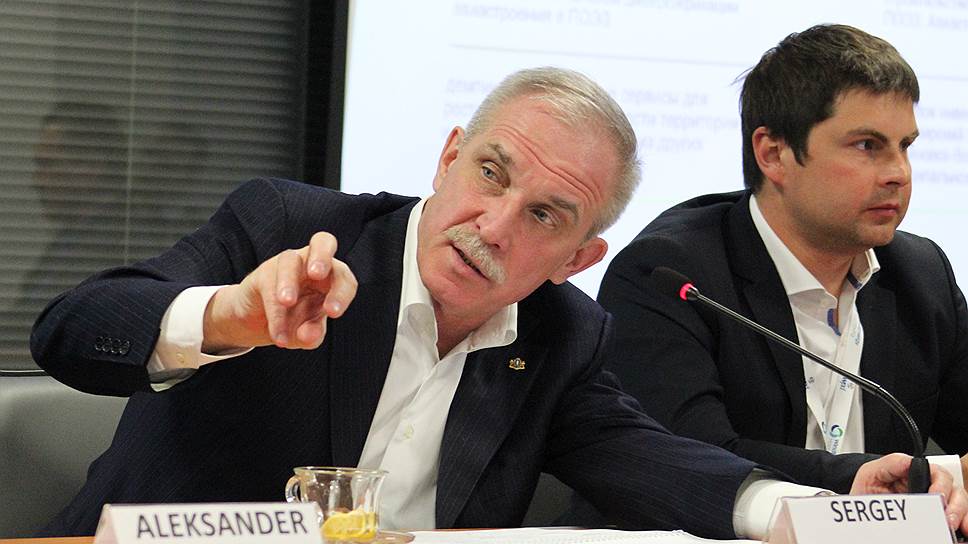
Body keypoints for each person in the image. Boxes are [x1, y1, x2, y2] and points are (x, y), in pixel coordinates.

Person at [31, 67, 968, 539]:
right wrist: (223, 317)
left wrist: (812, 508)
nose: (494, 222)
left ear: (578, 258)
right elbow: (72, 328)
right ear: (448, 156)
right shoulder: (293, 228)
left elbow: (650, 460)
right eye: (490, 172)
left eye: (546, 214)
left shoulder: (563, 336)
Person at [596, 24, 968, 498]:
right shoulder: (671, 275)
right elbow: (687, 459)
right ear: (773, 154)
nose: (899, 173)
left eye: (905, 146)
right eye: (867, 146)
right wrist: (857, 478)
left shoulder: (920, 275)